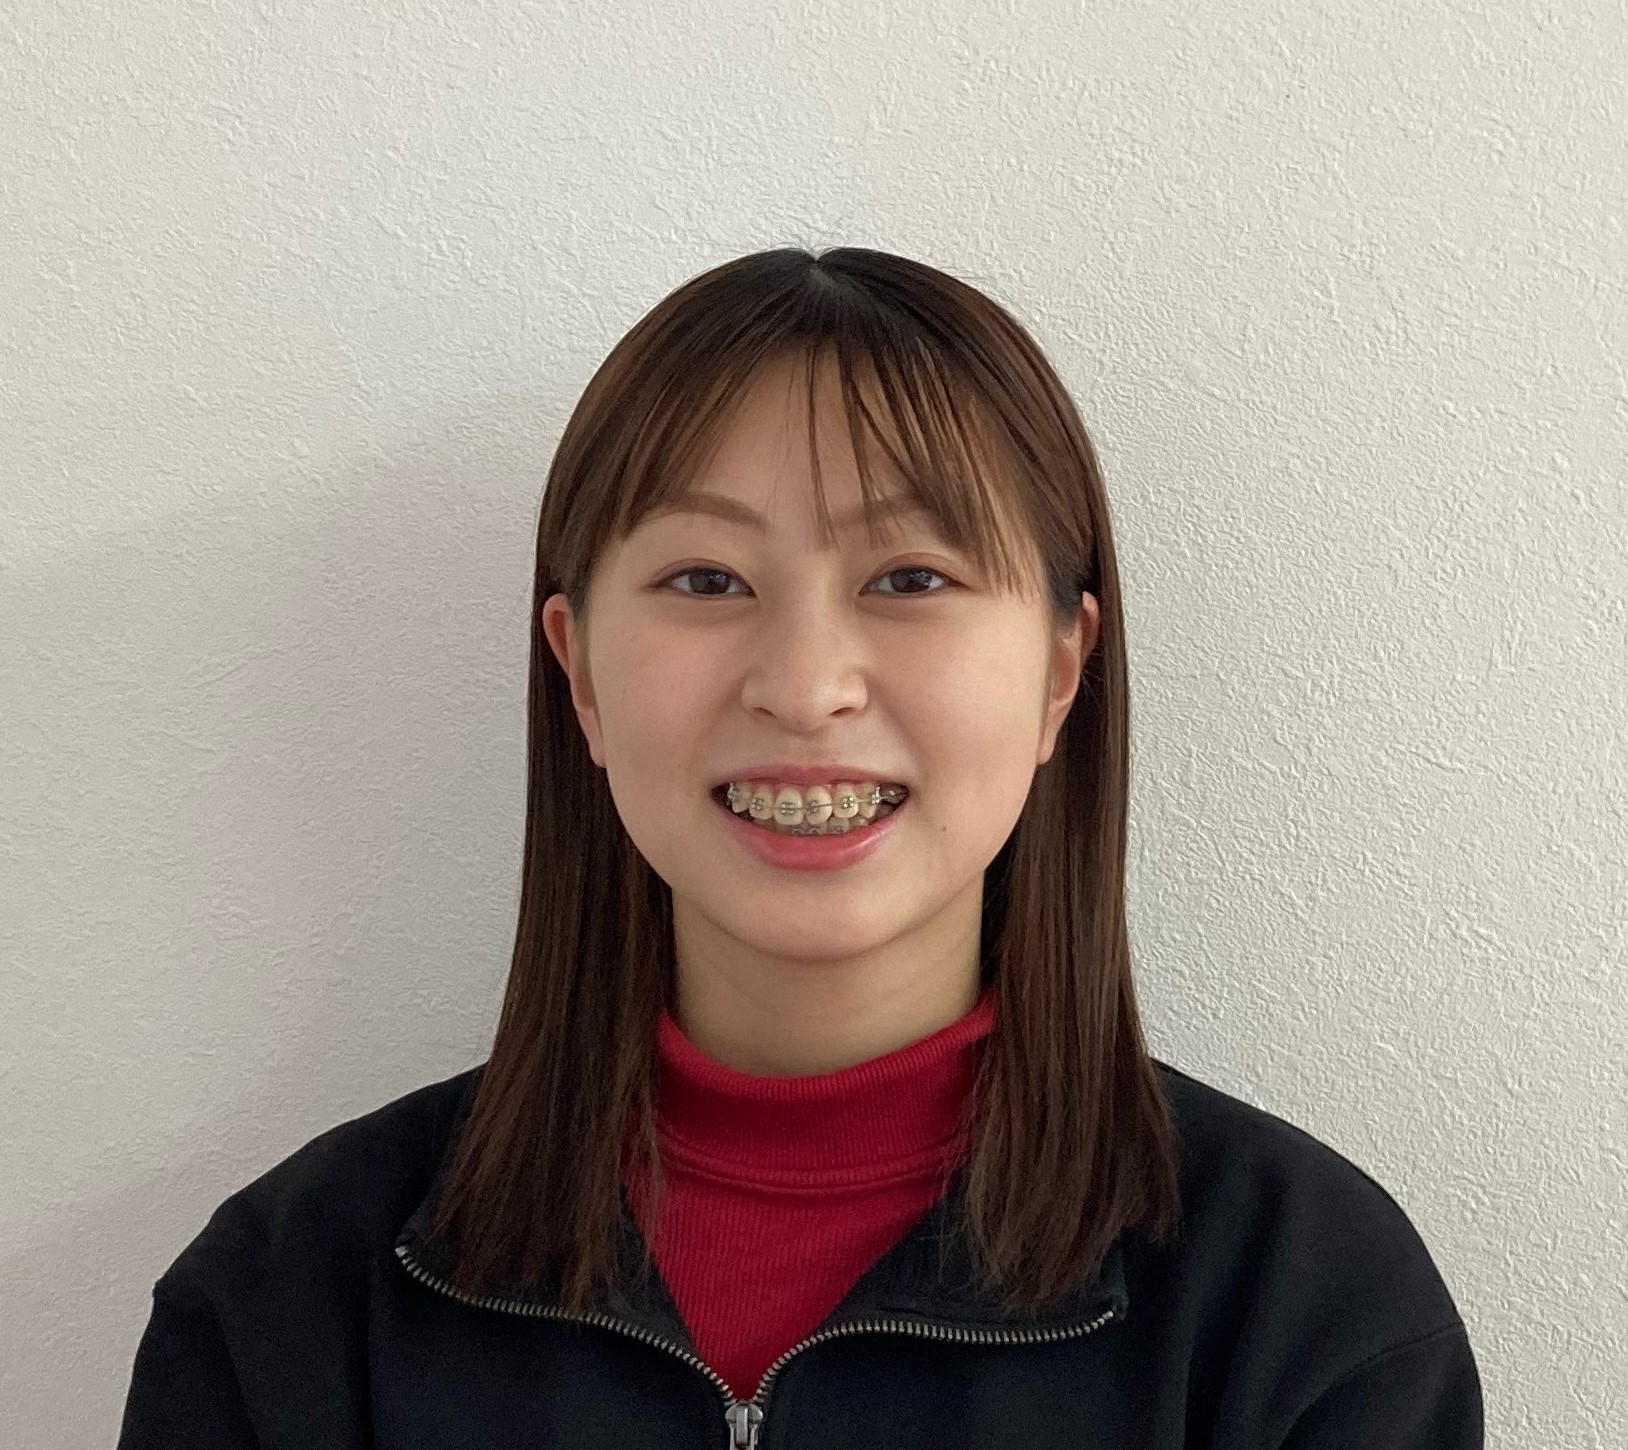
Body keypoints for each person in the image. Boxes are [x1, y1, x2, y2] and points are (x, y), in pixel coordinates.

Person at [116, 247, 1483, 1448]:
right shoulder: (294, 1304)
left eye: (911, 578)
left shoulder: (1300, 1310)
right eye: (706, 579)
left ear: (1063, 669)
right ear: (579, 672)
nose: (807, 683)